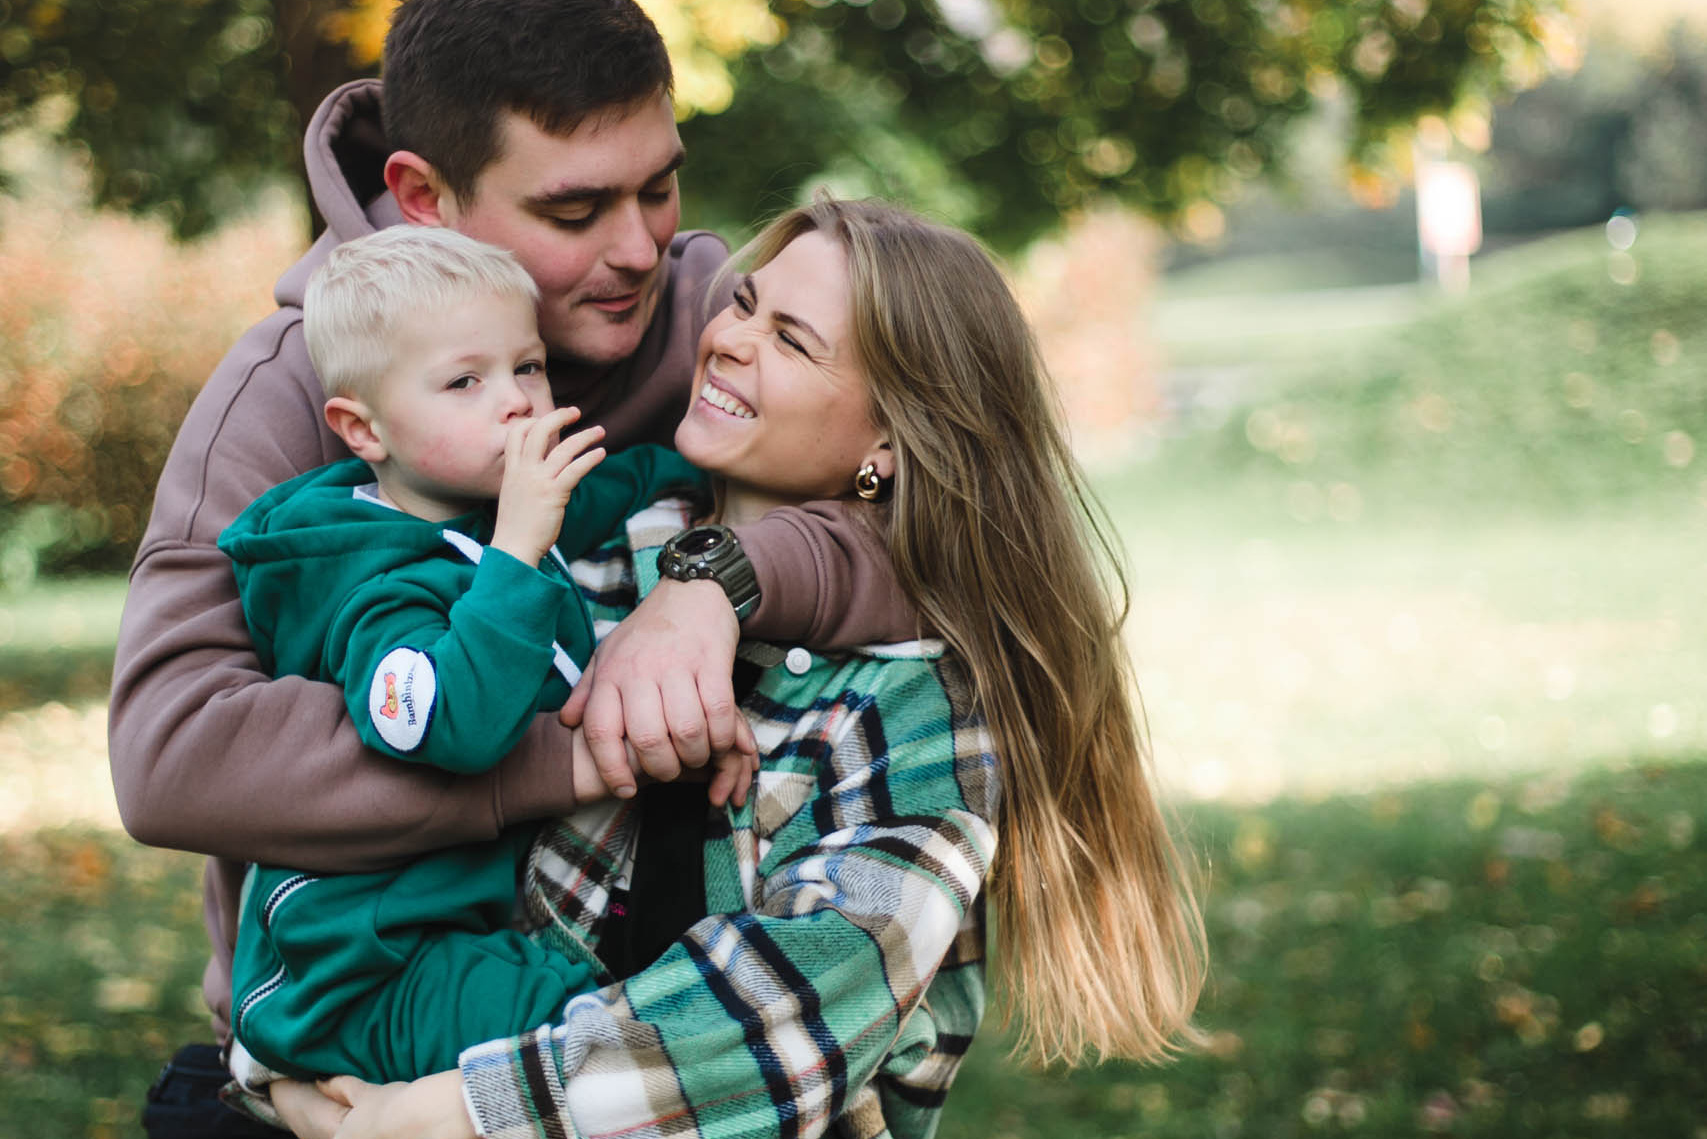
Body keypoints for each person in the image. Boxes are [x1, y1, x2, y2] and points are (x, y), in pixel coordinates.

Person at [111, 3, 912, 1130]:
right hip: (355, 1033)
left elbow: (925, 521)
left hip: (638, 1035)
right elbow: (174, 758)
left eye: (658, 187)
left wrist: (712, 579)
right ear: (428, 195)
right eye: (575, 209)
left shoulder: (708, 325)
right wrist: (564, 754)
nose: (639, 248)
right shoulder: (295, 394)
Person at [273, 198, 1208, 1139]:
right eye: (745, 303)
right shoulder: (585, 563)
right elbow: (373, 827)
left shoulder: (912, 706)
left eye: (792, 340)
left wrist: (435, 1115)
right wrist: (299, 1066)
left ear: (888, 440)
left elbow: (785, 1010)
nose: (727, 340)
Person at [219, 225, 758, 1090]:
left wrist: (704, 466)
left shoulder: (478, 511)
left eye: (529, 366)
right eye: (465, 381)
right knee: (609, 1038)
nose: (514, 401)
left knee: (621, 1023)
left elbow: (618, 485)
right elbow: (454, 726)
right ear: (364, 428)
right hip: (362, 968)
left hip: (452, 929)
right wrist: (516, 546)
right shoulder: (369, 580)